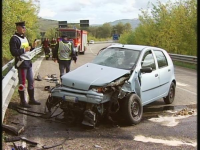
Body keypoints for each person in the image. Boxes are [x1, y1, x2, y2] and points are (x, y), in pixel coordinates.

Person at [9, 21, 41, 108]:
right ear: (18, 28)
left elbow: (28, 49)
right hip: (22, 63)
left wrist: (33, 46)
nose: (24, 29)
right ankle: (23, 102)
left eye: (25, 27)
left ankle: (31, 99)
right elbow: (13, 52)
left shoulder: (24, 37)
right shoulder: (14, 39)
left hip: (28, 62)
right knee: (22, 83)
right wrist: (24, 50)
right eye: (23, 27)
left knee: (31, 81)